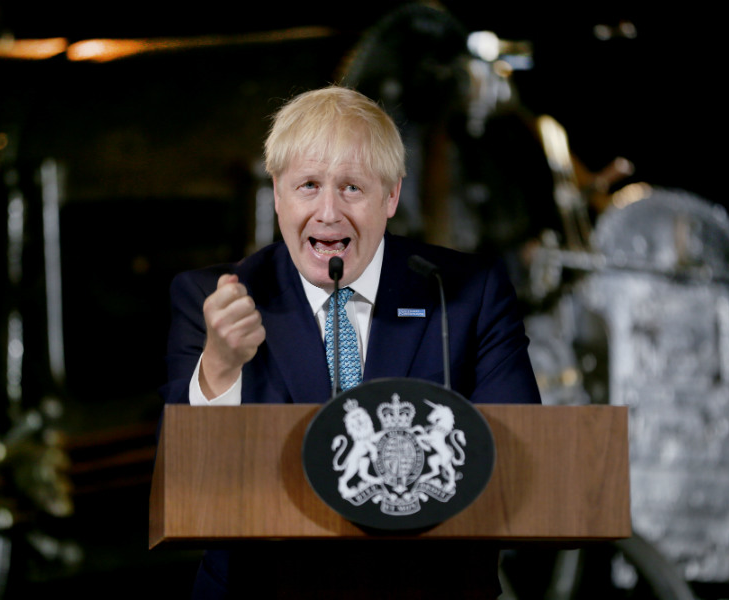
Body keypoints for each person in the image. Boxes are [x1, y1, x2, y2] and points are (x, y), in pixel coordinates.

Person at [159, 86, 541, 598]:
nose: (328, 213)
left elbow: (517, 461)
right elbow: (187, 489)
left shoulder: (466, 294)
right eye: (309, 185)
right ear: (277, 193)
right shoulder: (214, 300)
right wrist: (222, 372)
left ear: (391, 196)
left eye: (352, 189)